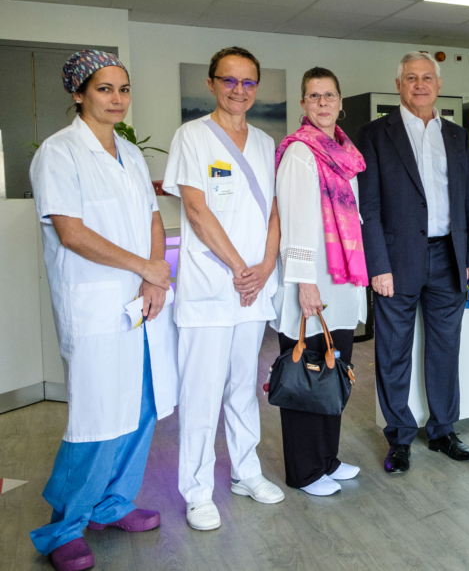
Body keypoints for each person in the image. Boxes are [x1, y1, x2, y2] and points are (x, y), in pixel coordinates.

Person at [28, 51, 178, 571]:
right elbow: (72, 233)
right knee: (97, 417)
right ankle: (63, 529)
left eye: (123, 89)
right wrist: (145, 267)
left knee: (141, 408)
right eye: (104, 89)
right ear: (78, 93)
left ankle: (112, 505)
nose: (117, 99)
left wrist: (153, 274)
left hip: (140, 302)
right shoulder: (59, 152)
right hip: (94, 306)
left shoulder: (129, 153)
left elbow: (153, 217)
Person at [163, 47, 284, 531]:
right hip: (212, 286)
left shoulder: (266, 143)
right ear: (212, 83)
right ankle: (196, 491)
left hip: (253, 287)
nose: (239, 90)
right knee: (201, 392)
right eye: (229, 80)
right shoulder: (192, 136)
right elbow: (196, 210)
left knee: (242, 387)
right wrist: (239, 268)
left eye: (248, 82)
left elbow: (274, 211)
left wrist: (266, 266)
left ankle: (245, 472)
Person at [357, 51, 469, 474]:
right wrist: (377, 265)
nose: (419, 84)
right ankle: (399, 437)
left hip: (449, 256)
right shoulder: (374, 134)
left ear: (439, 84)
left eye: (427, 77)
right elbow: (368, 207)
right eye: (411, 78)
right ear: (399, 85)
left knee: (446, 349)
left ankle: (443, 431)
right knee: (393, 351)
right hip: (395, 262)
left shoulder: (458, 136)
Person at [272, 67, 368, 496]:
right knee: (304, 376)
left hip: (341, 279)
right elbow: (294, 222)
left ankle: (327, 459)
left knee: (334, 371)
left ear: (341, 101)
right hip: (311, 282)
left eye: (329, 95)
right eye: (314, 96)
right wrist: (304, 282)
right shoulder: (300, 152)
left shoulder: (345, 152)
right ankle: (305, 471)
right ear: (303, 104)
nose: (323, 103)